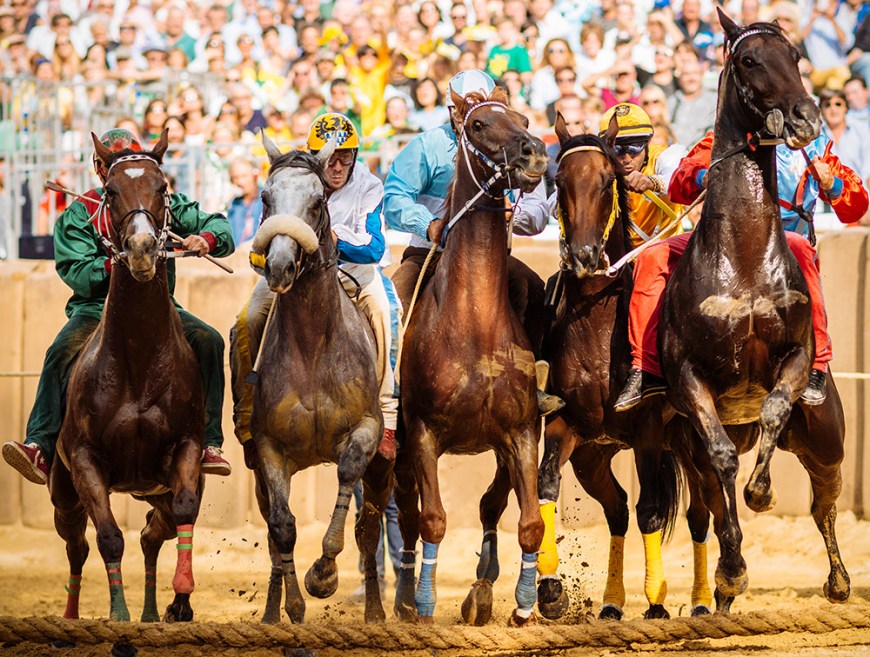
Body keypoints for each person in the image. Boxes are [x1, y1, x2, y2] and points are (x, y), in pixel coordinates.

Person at [2, 128, 236, 485]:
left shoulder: (163, 201)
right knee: (60, 350)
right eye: (111, 162)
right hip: (96, 310)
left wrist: (205, 238)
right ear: (99, 167)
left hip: (161, 308)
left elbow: (220, 227)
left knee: (210, 340)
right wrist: (119, 261)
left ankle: (209, 442)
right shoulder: (79, 213)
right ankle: (41, 444)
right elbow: (77, 272)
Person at [614, 128, 870, 411]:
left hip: (780, 242)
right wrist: (703, 177)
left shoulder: (816, 148)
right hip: (721, 240)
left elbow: (856, 209)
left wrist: (833, 183)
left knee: (800, 247)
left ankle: (818, 364)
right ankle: (645, 369)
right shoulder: (723, 136)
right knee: (653, 255)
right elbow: (679, 183)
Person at [382, 69, 563, 415]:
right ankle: (392, 400)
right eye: (461, 112)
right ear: (452, 110)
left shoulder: (511, 142)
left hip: (489, 258)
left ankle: (533, 385)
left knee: (533, 291)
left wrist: (514, 216)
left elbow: (538, 211)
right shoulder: (426, 145)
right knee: (394, 304)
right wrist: (428, 223)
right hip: (429, 254)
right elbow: (394, 198)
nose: (466, 119)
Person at [231, 112, 401, 468]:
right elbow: (262, 247)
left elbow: (372, 248)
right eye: (331, 158)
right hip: (300, 277)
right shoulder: (293, 183)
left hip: (357, 273)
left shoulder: (369, 187)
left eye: (346, 157)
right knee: (247, 320)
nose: (337, 166)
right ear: (314, 154)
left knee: (387, 312)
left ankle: (387, 415)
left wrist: (330, 243)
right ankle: (247, 415)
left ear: (356, 156)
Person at [227, 157, 263, 245]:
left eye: (244, 176)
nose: (240, 182)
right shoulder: (234, 205)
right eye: (236, 177)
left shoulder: (266, 200)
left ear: (255, 175)